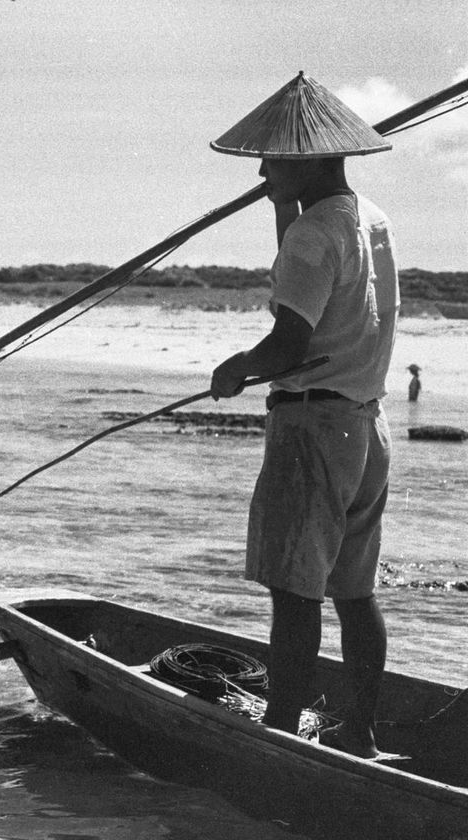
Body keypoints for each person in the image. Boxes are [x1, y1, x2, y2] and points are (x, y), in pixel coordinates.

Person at [208, 72, 398, 759]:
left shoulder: (314, 237)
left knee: (295, 591)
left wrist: (236, 369)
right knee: (354, 592)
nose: (261, 168)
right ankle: (363, 737)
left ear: (309, 159)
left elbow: (289, 342)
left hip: (313, 429)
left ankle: (282, 735)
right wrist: (279, 207)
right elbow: (310, 276)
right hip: (365, 429)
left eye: (273, 159)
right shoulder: (368, 219)